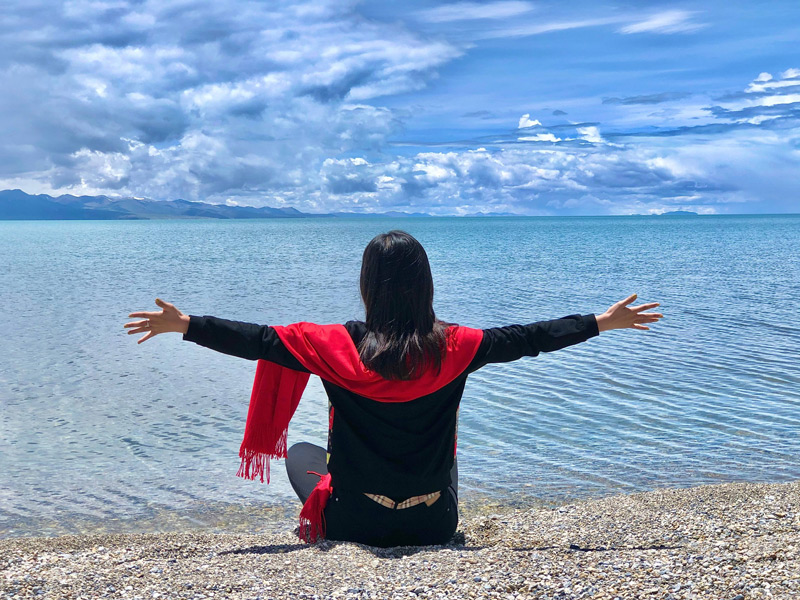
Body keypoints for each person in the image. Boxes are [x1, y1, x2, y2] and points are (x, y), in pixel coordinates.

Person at [124, 230, 662, 548]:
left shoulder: (332, 347)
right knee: (448, 455)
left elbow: (259, 340)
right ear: (425, 284)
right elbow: (530, 338)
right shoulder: (458, 347)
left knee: (301, 453)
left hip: (354, 522)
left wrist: (187, 325)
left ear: (367, 284)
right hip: (434, 524)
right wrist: (599, 322)